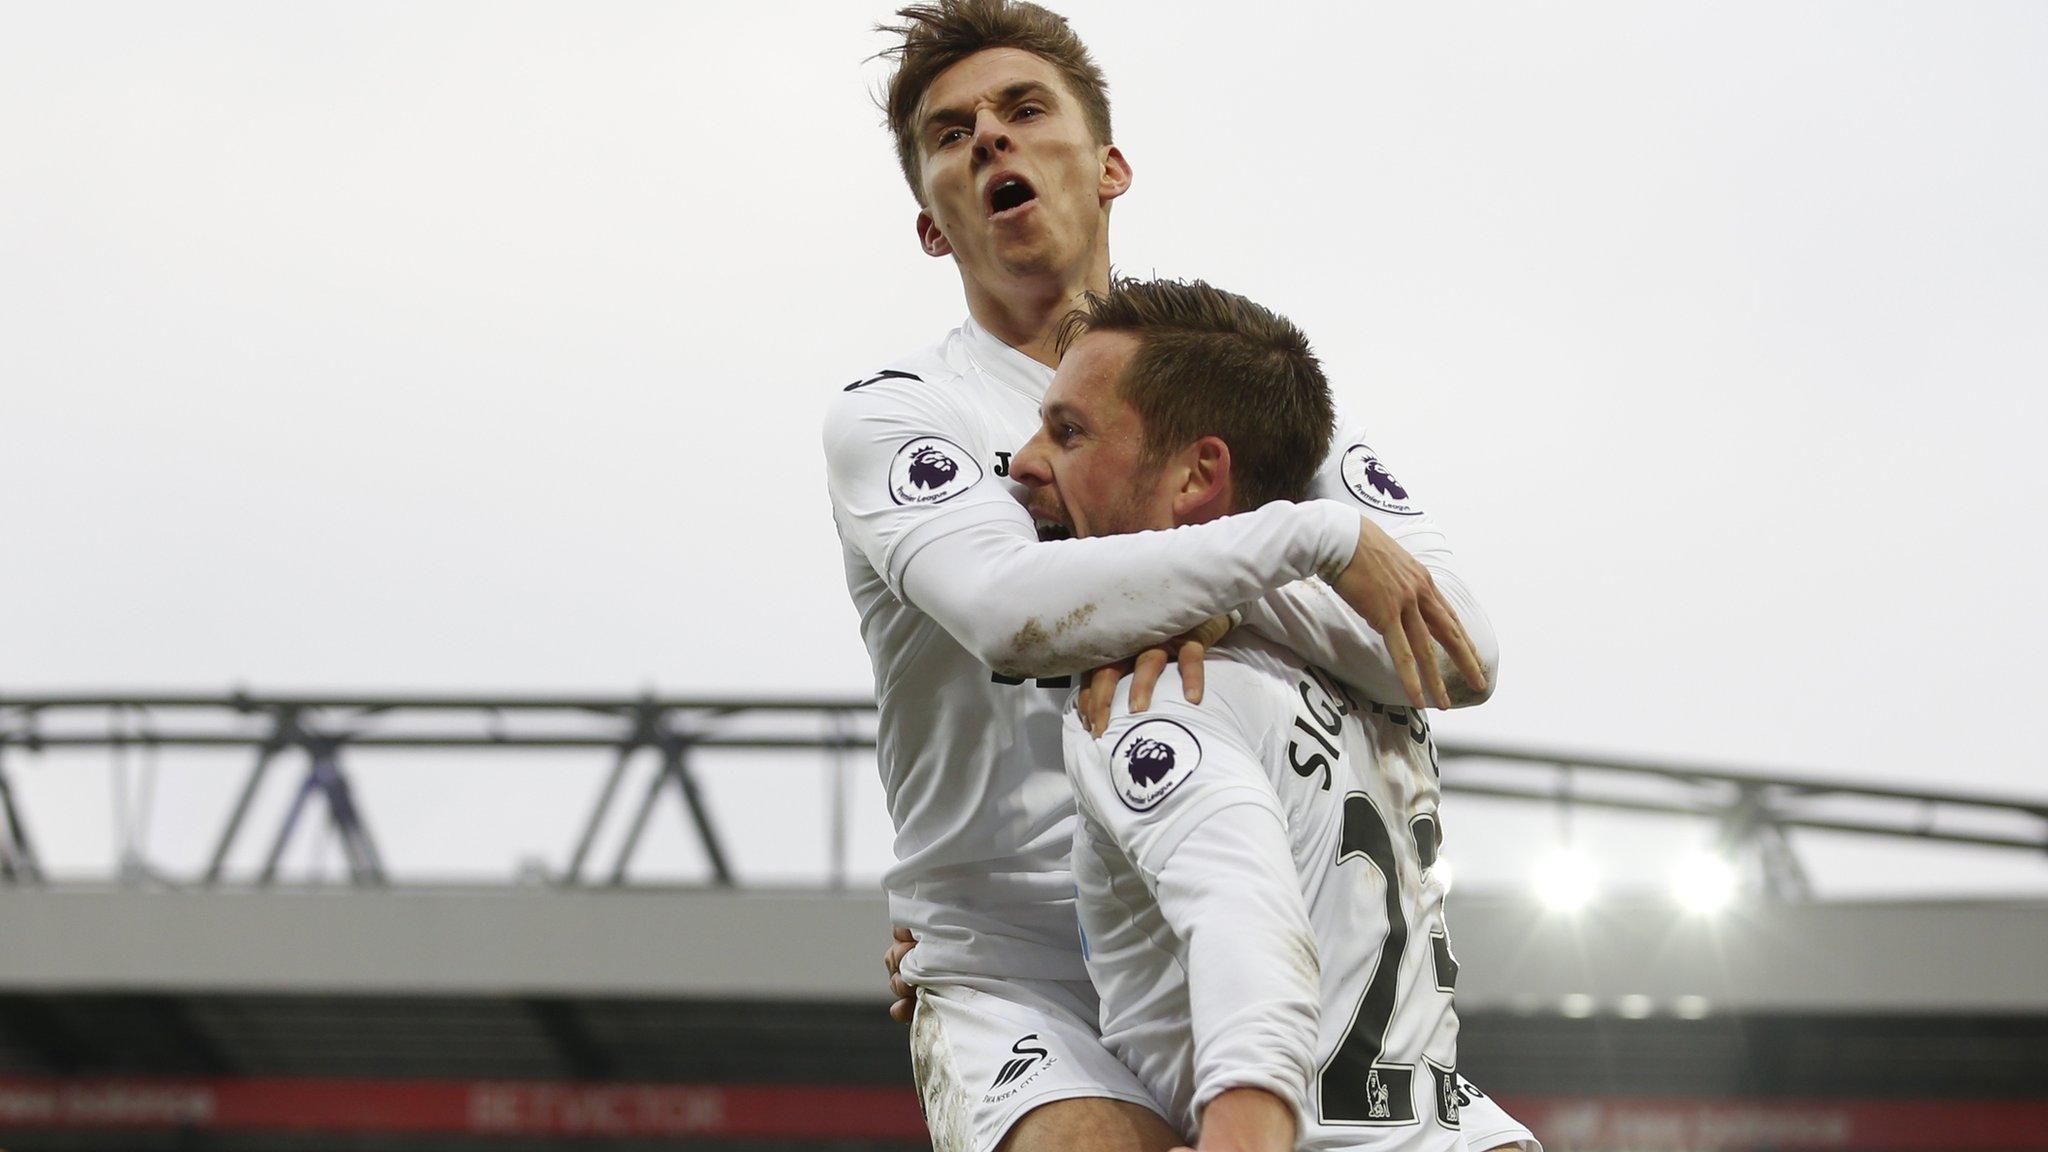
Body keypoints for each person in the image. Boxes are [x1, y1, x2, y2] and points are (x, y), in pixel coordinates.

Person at [821, 3, 1527, 1150]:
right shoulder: (900, 417)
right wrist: (1312, 545)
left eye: (1022, 109)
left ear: (1109, 168)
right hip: (1026, 976)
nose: (988, 140)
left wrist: (1220, 578)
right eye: (950, 136)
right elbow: (1008, 614)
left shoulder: (1246, 398)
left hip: (1269, 933)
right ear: (931, 230)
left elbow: (1449, 653)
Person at [1016, 275, 1500, 1152]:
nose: (1021, 461)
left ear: (1199, 475)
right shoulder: (1370, 673)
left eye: (1069, 432)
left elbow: (1250, 935)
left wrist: (1246, 1119)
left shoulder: (1155, 691)